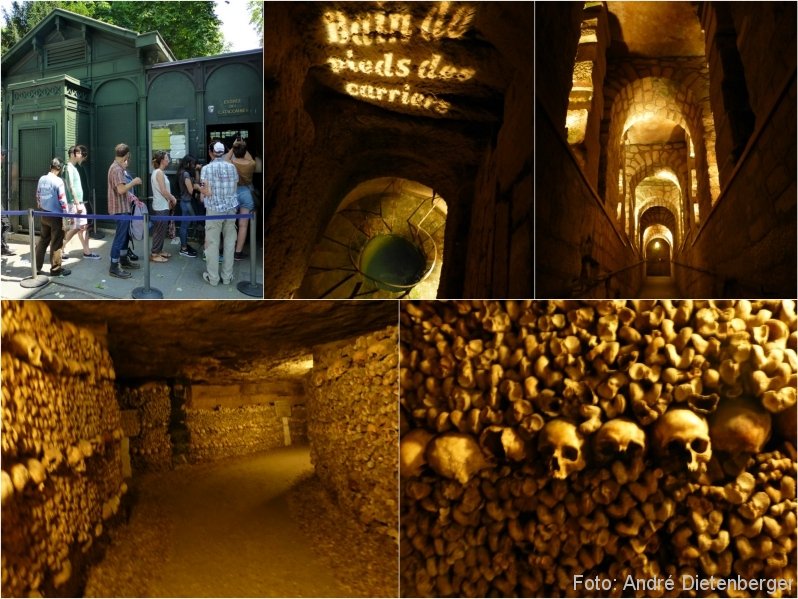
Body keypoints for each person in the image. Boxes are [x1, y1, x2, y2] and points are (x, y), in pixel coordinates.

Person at [200, 141, 239, 285]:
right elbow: (235, 188)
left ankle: (214, 278)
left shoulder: (206, 169)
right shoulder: (232, 167)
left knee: (212, 244)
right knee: (229, 243)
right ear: (224, 152)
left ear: (211, 152)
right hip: (231, 209)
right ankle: (227, 277)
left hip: (214, 210)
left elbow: (206, 192)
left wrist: (199, 188)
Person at [107, 143, 142, 279]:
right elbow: (121, 189)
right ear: (126, 155)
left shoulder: (117, 167)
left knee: (124, 237)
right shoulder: (116, 169)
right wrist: (135, 182)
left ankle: (123, 260)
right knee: (120, 238)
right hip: (119, 209)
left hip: (123, 208)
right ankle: (114, 267)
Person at [62, 145, 100, 260]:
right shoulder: (68, 167)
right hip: (75, 203)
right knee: (77, 228)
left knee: (82, 227)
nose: (82, 157)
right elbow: (70, 186)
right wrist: (77, 203)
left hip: (78, 202)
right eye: (80, 154)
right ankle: (60, 247)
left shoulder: (73, 167)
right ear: (75, 154)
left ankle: (86, 252)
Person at [34, 158, 70, 276]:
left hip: (44, 213)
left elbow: (38, 195)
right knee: (56, 243)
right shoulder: (58, 181)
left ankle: (36, 268)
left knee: (43, 241)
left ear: (51, 166)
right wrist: (67, 215)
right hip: (56, 216)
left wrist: (41, 205)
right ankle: (55, 270)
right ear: (60, 168)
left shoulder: (42, 179)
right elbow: (63, 200)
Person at [225, 138, 256, 261]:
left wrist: (233, 147)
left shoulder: (231, 163)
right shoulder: (251, 164)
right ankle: (238, 252)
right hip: (245, 192)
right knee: (243, 225)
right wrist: (243, 146)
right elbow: (249, 158)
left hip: (232, 192)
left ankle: (228, 249)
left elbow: (226, 158)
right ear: (245, 151)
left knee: (229, 223)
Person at [149, 151, 177, 262]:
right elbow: (163, 191)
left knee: (161, 229)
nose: (168, 159)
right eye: (166, 157)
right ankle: (155, 253)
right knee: (159, 230)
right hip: (160, 206)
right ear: (162, 160)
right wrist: (173, 198)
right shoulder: (159, 173)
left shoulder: (159, 172)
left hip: (162, 205)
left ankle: (158, 251)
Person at [176, 155, 199, 257]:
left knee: (185, 225)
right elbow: (190, 190)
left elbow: (196, 181)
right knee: (185, 226)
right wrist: (197, 187)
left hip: (185, 202)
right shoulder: (185, 174)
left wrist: (197, 172)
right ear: (188, 163)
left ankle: (184, 245)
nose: (193, 166)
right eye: (192, 164)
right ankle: (184, 248)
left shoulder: (182, 172)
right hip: (186, 202)